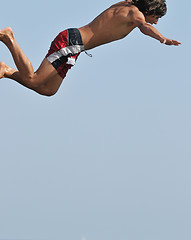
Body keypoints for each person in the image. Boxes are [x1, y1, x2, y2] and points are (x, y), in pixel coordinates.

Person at [0, 0, 181, 96]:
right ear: (148, 11)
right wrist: (161, 38)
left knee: (48, 90)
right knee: (34, 80)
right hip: (71, 42)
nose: (156, 21)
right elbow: (144, 27)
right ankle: (9, 39)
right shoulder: (135, 13)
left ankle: (6, 71)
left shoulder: (126, 3)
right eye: (156, 17)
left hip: (75, 47)